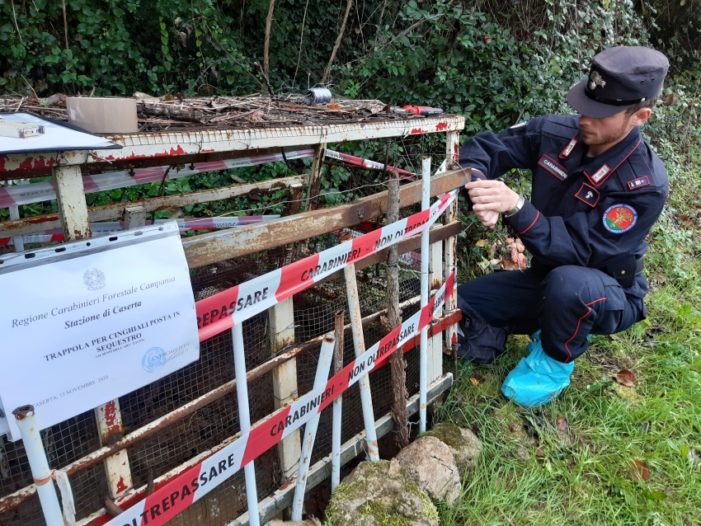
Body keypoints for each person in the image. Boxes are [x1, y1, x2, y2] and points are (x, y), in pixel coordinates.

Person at [456, 46, 670, 407]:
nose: (585, 117)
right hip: (542, 278)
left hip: (602, 288)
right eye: (585, 104)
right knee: (462, 302)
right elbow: (485, 149)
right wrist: (479, 188)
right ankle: (500, 334)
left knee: (569, 285)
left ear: (640, 115)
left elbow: (582, 251)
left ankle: (552, 362)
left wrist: (516, 206)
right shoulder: (555, 134)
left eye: (601, 113)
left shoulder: (643, 184)